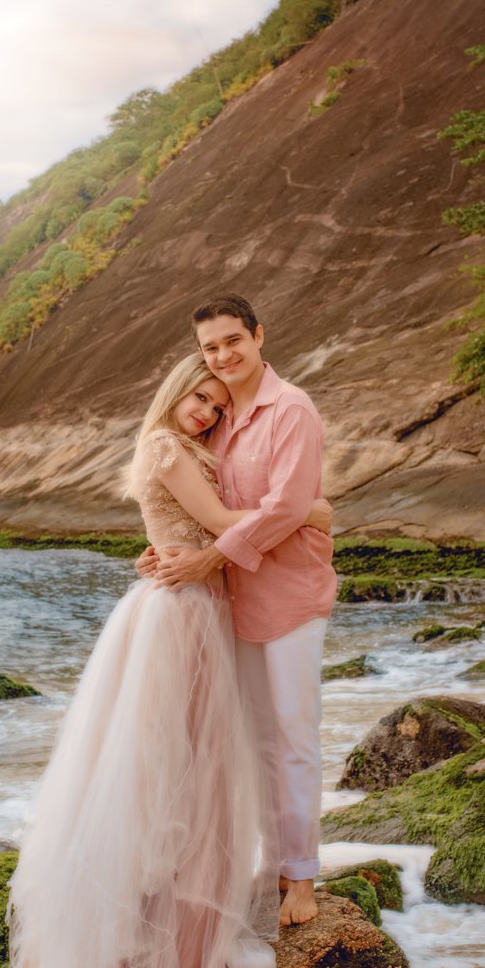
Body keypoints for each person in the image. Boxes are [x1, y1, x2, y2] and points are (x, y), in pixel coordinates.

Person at [0, 352, 332, 968]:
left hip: (198, 619)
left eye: (213, 400)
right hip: (173, 624)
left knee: (190, 798)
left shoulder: (193, 451)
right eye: (195, 395)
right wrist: (308, 510)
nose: (204, 409)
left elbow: (226, 532)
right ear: (171, 395)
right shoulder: (165, 449)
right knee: (155, 795)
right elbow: (232, 524)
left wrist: (261, 524)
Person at [149, 295, 337, 927]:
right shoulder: (217, 417)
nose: (223, 356)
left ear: (259, 336)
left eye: (233, 341)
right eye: (210, 348)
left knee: (293, 738)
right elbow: (196, 508)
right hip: (231, 602)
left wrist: (208, 560)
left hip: (289, 597)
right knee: (251, 742)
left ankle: (302, 878)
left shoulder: (292, 410)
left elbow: (284, 509)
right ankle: (269, 864)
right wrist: (164, 552)